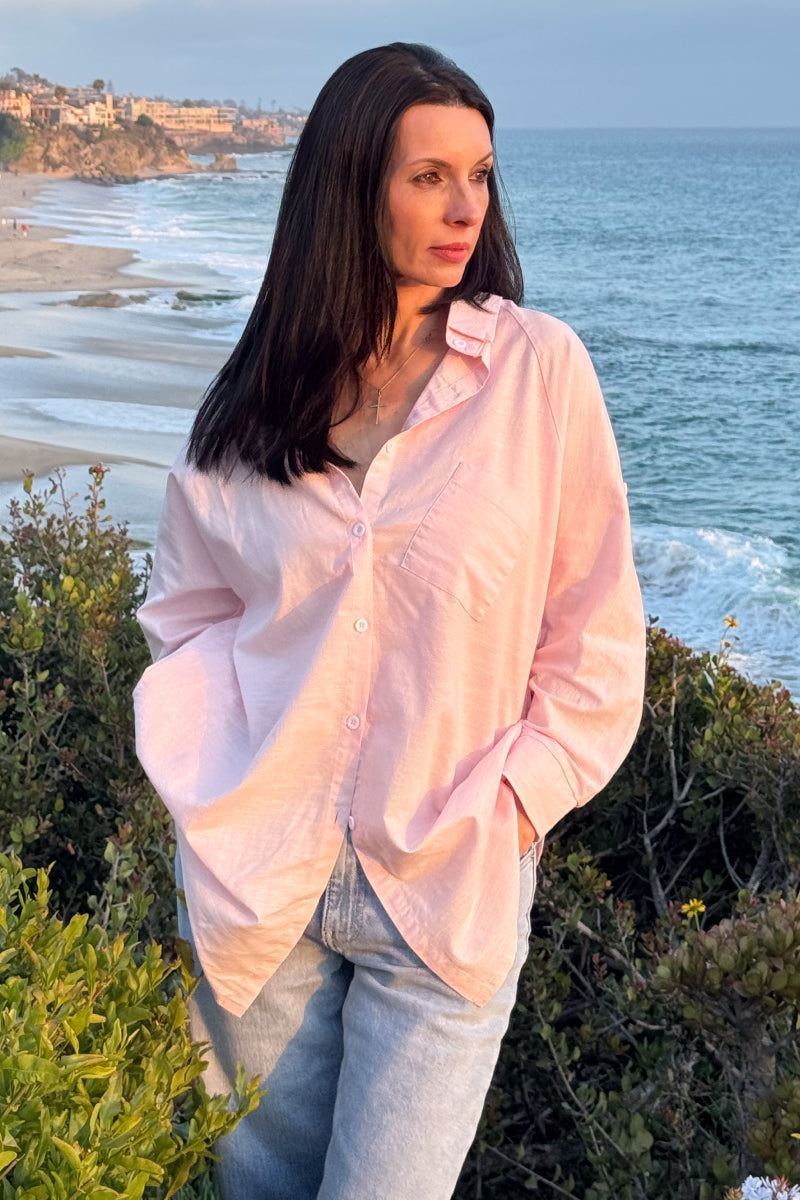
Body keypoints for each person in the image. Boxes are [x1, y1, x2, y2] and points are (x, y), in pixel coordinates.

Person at [132, 41, 647, 1200]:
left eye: (480, 174)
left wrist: (513, 809)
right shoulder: (260, 396)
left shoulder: (536, 374)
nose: (464, 207)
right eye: (428, 176)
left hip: (447, 876)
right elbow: (187, 609)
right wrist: (215, 782)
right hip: (261, 878)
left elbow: (596, 635)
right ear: (349, 184)